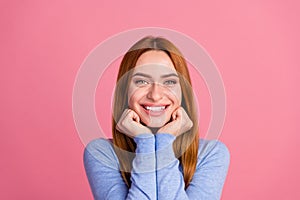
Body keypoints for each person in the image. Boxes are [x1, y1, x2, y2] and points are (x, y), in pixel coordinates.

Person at [83, 36, 230, 200]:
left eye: (169, 82)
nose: (155, 95)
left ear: (183, 92)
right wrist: (144, 140)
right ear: (124, 91)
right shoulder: (101, 153)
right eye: (141, 81)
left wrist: (164, 141)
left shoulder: (210, 154)